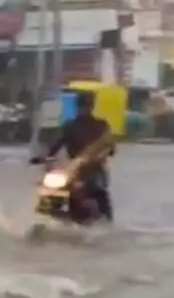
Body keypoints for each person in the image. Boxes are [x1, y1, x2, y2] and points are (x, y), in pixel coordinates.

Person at [32, 91, 114, 221]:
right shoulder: (70, 126)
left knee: (100, 190)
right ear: (78, 107)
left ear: (92, 107)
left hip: (95, 169)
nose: (85, 109)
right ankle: (42, 218)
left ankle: (107, 219)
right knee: (51, 189)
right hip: (73, 170)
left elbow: (110, 147)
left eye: (87, 106)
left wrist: (101, 156)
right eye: (82, 106)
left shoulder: (101, 126)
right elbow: (57, 143)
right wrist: (45, 157)